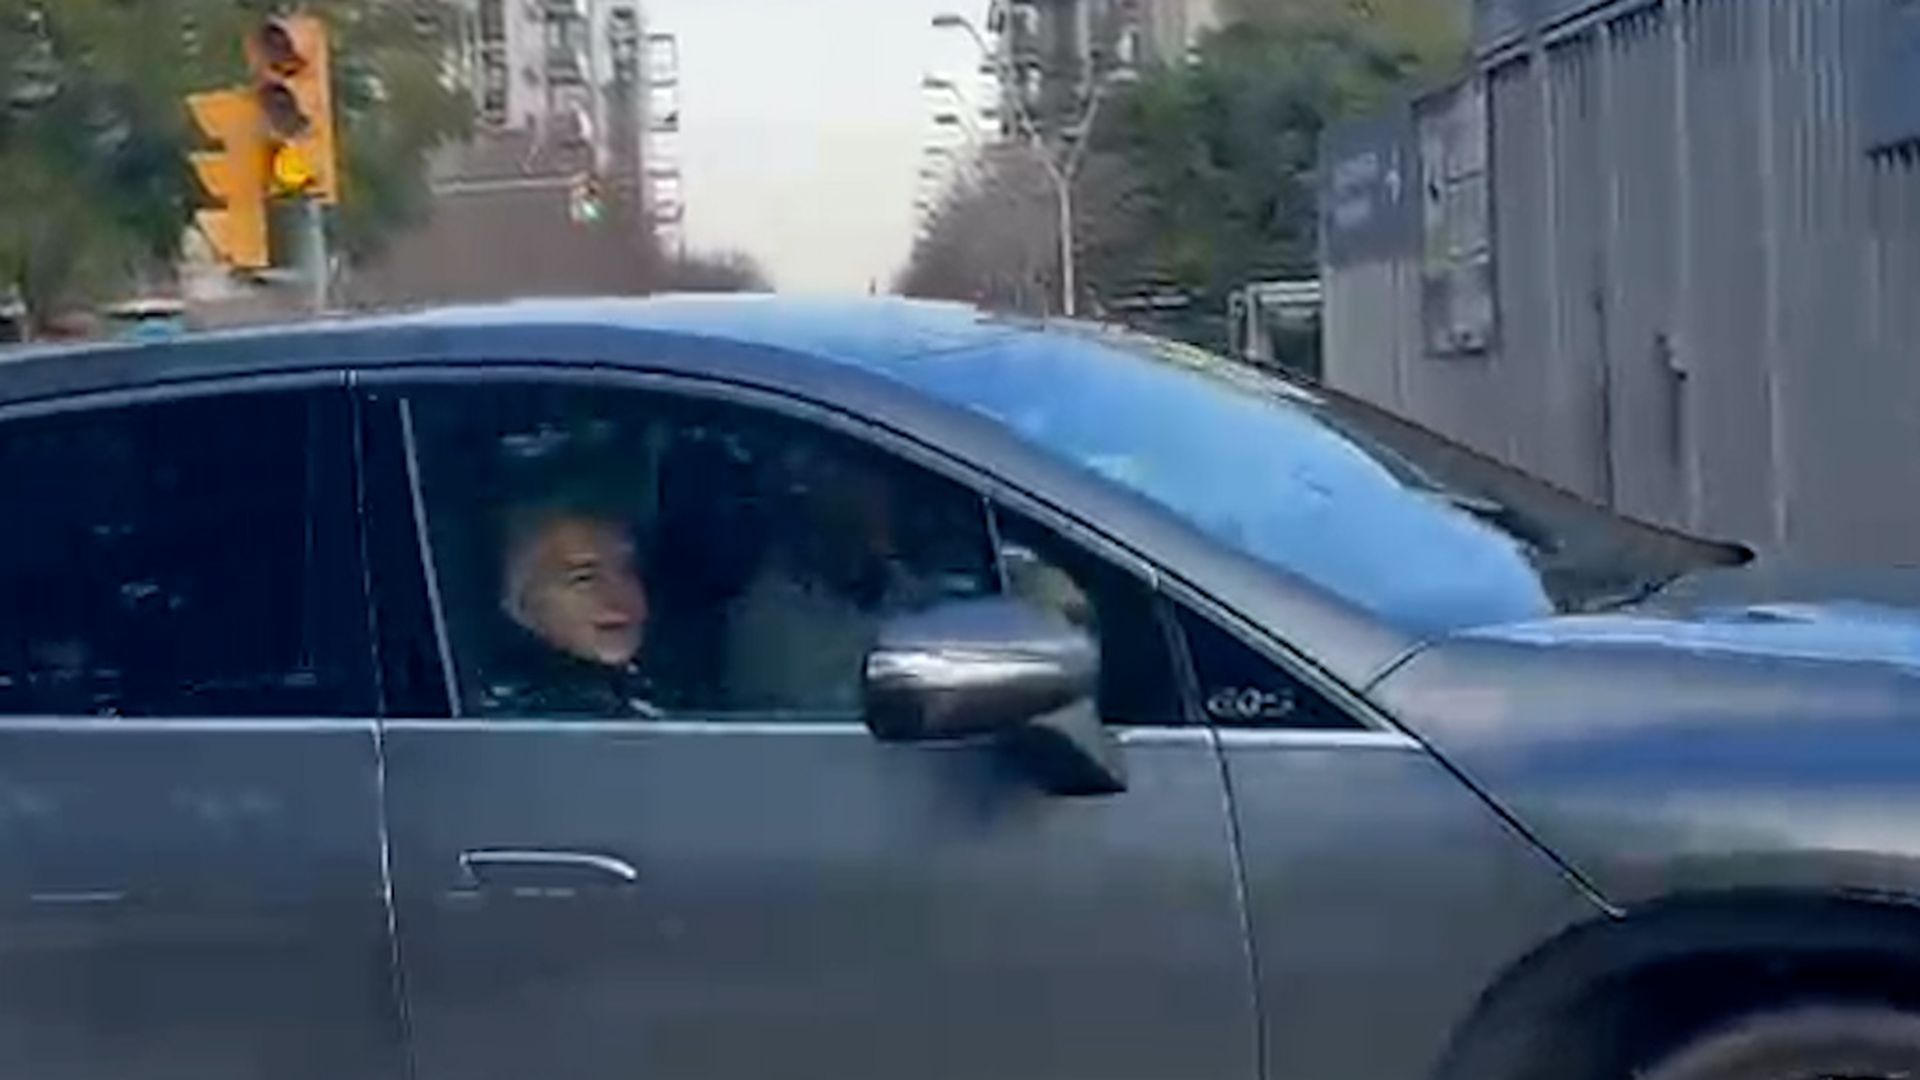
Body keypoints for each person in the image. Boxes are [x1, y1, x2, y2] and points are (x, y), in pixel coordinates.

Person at [485, 504, 663, 717]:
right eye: (584, 578)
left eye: (627, 570)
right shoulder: (517, 720)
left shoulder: (675, 691)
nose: (620, 593)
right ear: (521, 605)